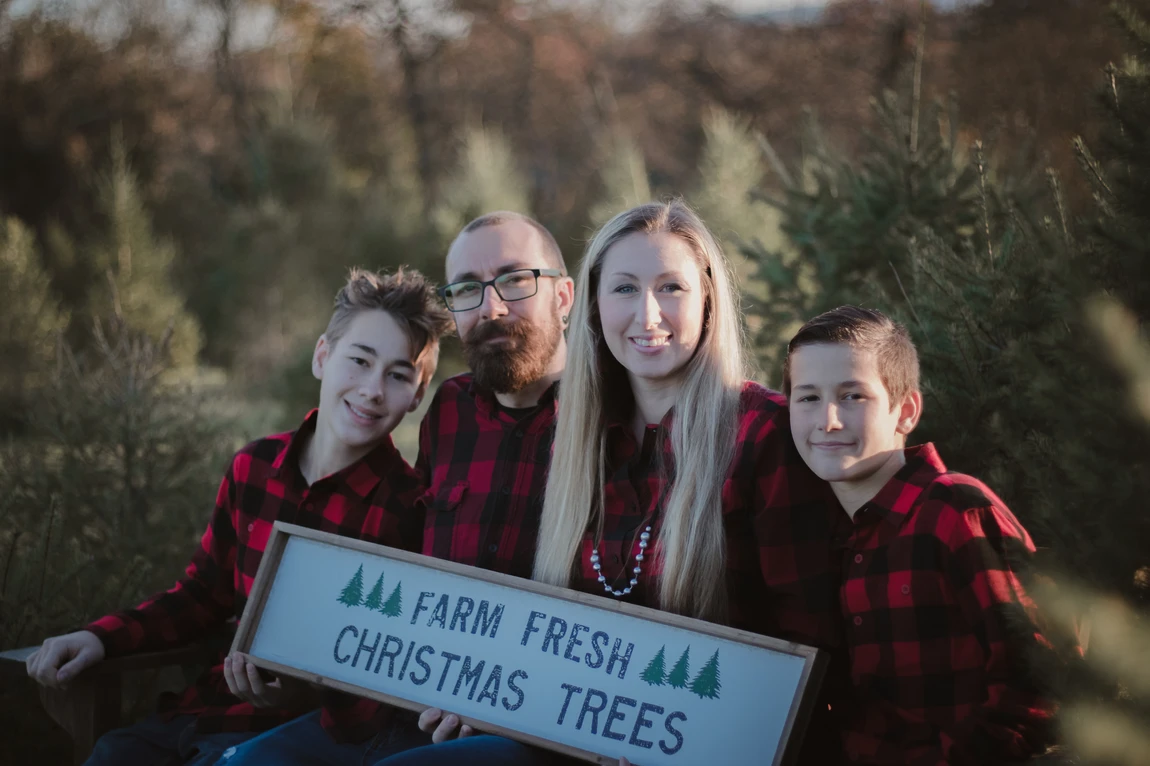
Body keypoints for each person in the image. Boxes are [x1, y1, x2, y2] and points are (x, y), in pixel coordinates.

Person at [426, 200, 848, 765]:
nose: (647, 315)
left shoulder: (761, 434)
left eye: (670, 287)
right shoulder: (579, 439)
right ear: (595, 308)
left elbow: (812, 653)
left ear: (707, 302)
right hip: (568, 747)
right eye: (624, 289)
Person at [25, 267, 451, 766]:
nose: (373, 389)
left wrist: (297, 696)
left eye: (398, 375)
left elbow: (389, 669)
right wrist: (99, 637)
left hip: (294, 739)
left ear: (417, 395)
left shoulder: (408, 508)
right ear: (322, 357)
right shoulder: (254, 467)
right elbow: (201, 596)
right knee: (111, 755)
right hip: (200, 715)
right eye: (359, 360)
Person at [214, 211, 575, 766]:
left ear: (564, 297)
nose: (491, 306)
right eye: (467, 290)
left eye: (514, 280)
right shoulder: (451, 412)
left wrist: (493, 692)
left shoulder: (605, 423)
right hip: (401, 709)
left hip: (526, 727)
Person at [783, 305, 1055, 765]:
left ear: (905, 410)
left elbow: (1040, 682)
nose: (827, 419)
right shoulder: (830, 537)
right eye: (808, 398)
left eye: (853, 396)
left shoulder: (954, 509)